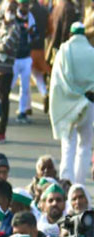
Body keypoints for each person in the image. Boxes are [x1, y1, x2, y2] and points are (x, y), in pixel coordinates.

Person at [49, 22, 94, 185]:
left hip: (68, 104)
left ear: (70, 33)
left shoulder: (64, 52)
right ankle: (79, 185)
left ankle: (66, 182)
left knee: (68, 144)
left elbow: (56, 82)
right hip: (88, 103)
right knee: (85, 145)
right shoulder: (92, 52)